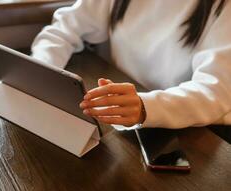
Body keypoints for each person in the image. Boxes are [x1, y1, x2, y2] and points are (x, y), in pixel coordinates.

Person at [31, 0, 231, 131]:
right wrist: (42, 72)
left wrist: (145, 107)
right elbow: (64, 28)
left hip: (191, 128)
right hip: (117, 114)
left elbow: (214, 91)